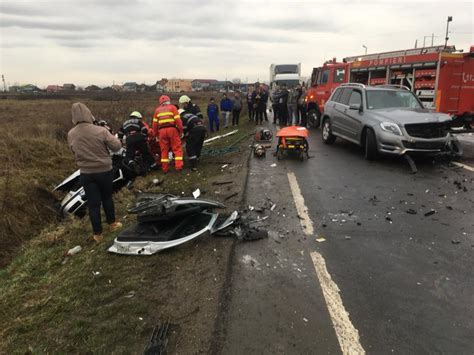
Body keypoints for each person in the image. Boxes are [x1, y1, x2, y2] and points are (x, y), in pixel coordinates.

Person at [67, 102, 122, 243]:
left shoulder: (71, 134)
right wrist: (108, 134)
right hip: (104, 170)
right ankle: (112, 223)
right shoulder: (100, 130)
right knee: (107, 198)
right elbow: (116, 146)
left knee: (93, 203)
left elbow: (73, 150)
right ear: (88, 114)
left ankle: (97, 234)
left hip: (86, 173)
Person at [152, 95, 184, 172]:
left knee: (164, 150)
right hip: (172, 130)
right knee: (177, 148)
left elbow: (154, 124)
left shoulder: (157, 110)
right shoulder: (173, 108)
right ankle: (178, 166)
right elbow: (178, 121)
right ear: (168, 101)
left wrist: (156, 134)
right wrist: (181, 131)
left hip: (161, 132)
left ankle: (165, 168)